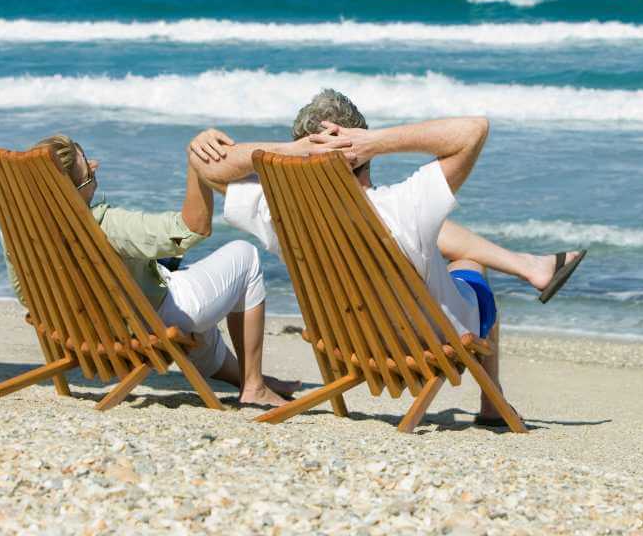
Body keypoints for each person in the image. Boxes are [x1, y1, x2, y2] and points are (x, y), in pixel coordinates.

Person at [187, 90, 585, 426]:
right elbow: (473, 128)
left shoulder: (277, 213)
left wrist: (291, 152)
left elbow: (207, 166)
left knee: (436, 238)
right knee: (468, 267)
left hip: (348, 346)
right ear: (359, 147)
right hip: (432, 342)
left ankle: (531, 266)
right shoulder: (404, 205)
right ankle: (491, 400)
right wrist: (376, 140)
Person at [4, 134, 296, 408]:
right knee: (244, 257)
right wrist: (196, 165)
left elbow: (24, 295)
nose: (95, 165)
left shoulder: (18, 230)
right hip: (142, 324)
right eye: (89, 174)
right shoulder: (106, 226)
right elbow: (191, 230)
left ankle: (249, 379)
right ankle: (254, 386)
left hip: (89, 331)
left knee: (195, 303)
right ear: (71, 193)